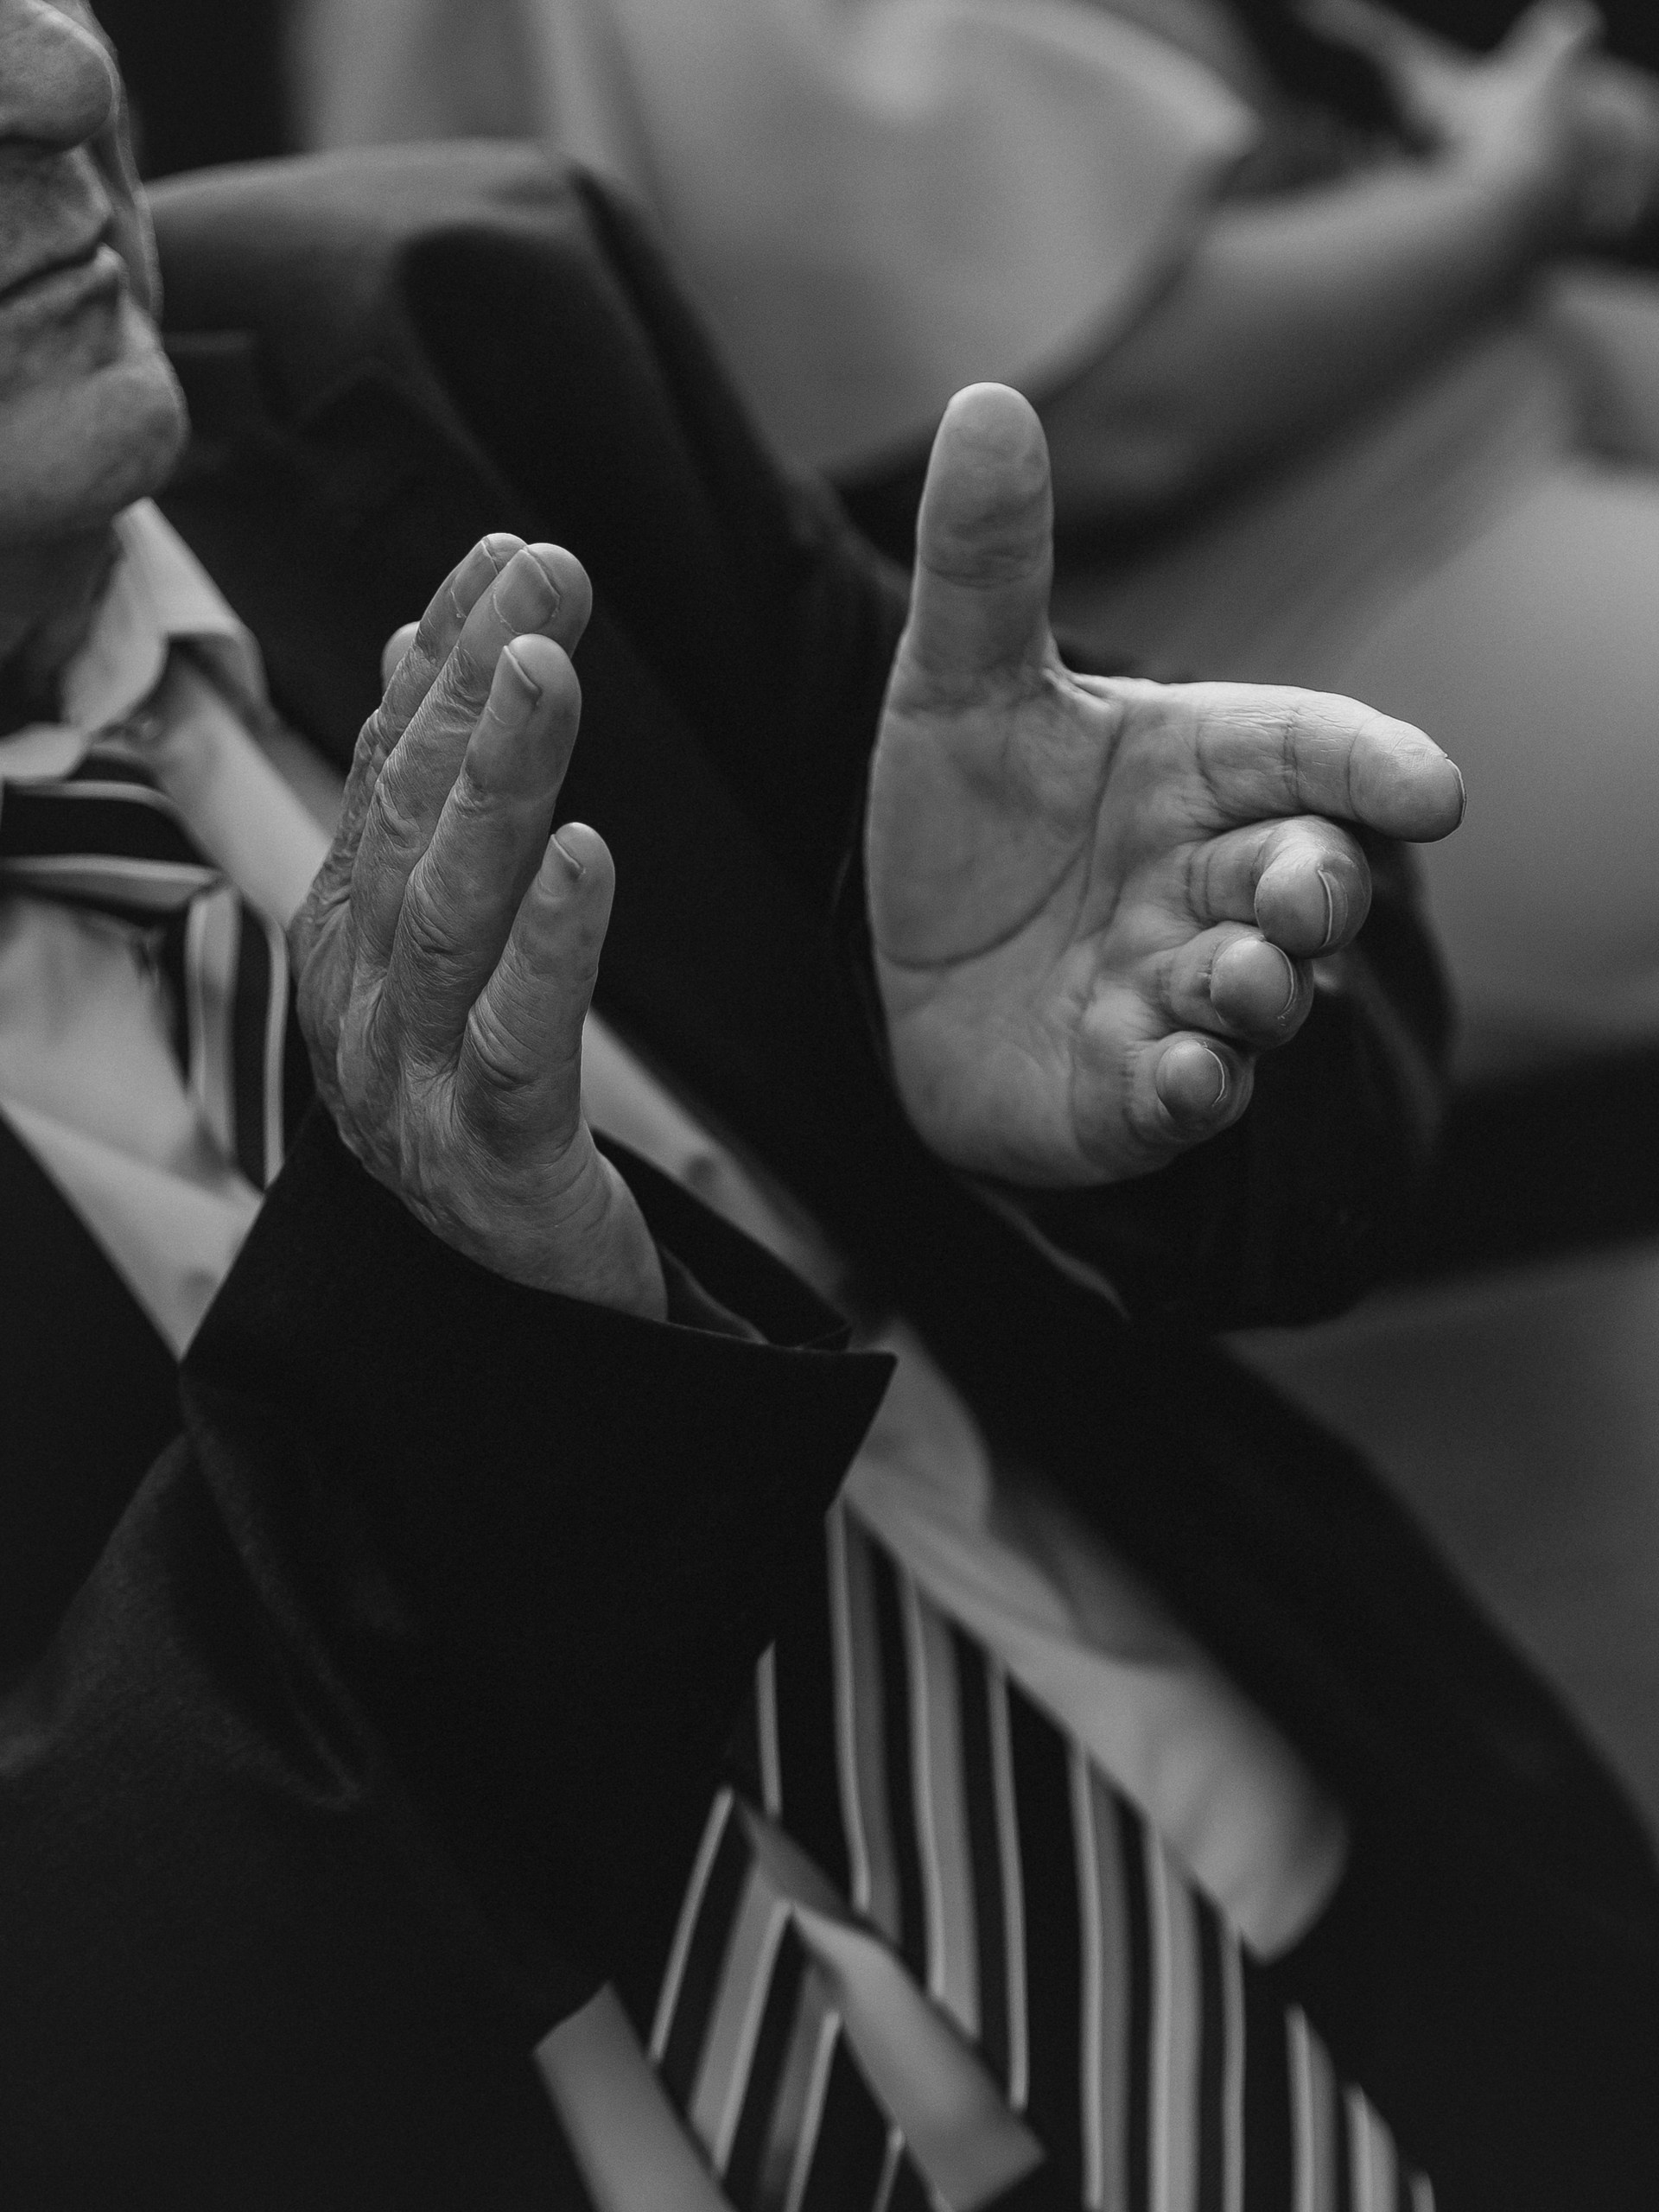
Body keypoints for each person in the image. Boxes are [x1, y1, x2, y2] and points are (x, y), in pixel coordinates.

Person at [1, 5, 1654, 2204]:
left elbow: (1289, 1135)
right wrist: (473, 1360)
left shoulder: (430, 321)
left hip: (1334, 1939)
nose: (52, 83)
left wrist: (1153, 1052)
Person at [304, 0, 1659, 1070]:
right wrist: (1510, 193)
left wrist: (1480, 132)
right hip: (1266, 628)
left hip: (1496, 410)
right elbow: (1123, 411)